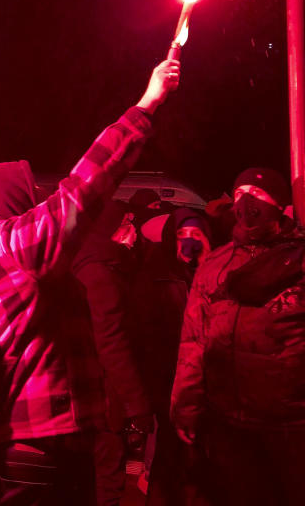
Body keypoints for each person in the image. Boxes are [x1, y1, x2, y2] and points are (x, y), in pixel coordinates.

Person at [0, 59, 179, 506]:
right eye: (32, 198)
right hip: (36, 444)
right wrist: (146, 104)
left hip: (16, 441)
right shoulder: (11, 244)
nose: (40, 206)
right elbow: (83, 188)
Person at [171, 168, 305, 506]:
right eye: (241, 193)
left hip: (299, 430)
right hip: (232, 429)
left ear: (280, 206)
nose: (247, 202)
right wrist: (185, 406)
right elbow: (195, 343)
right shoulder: (215, 266)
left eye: (258, 195)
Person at [68, 201, 152, 506]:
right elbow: (112, 342)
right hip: (103, 395)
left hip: (89, 389)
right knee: (108, 472)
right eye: (126, 224)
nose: (133, 231)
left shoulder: (95, 263)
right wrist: (136, 402)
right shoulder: (101, 274)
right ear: (109, 231)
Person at [129, 207, 211, 505]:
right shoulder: (154, 278)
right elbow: (146, 338)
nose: (189, 242)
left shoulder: (218, 275)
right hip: (170, 385)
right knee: (172, 461)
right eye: (181, 235)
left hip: (210, 388)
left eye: (197, 234)